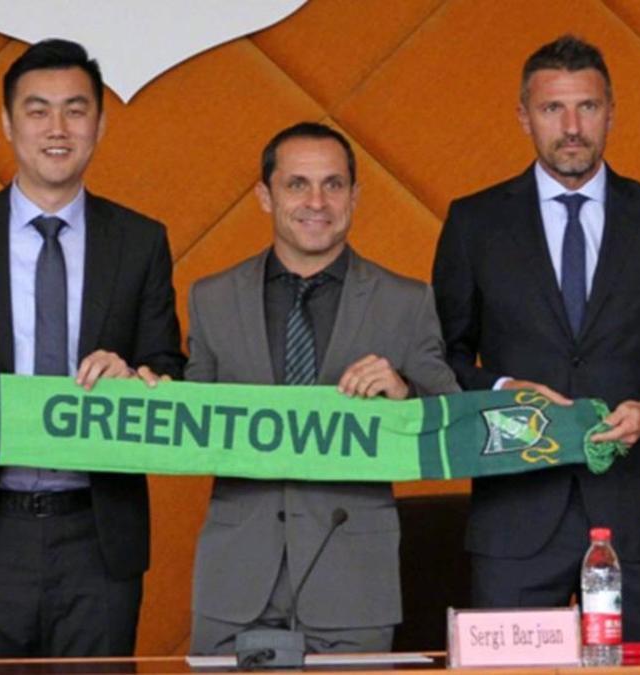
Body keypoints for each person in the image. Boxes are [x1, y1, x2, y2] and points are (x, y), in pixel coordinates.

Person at [431, 35, 640, 641]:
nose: (572, 127)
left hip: (639, 517)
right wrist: (500, 388)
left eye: (588, 108)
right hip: (515, 516)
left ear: (611, 112)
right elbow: (441, 355)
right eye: (552, 109)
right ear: (524, 116)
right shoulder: (474, 222)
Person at [0, 38, 185, 657]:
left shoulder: (139, 241)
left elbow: (168, 366)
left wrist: (137, 373)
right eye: (38, 109)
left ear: (99, 124)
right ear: (6, 122)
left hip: (97, 533)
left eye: (76, 110)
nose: (58, 127)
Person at [186, 122, 459, 654]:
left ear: (355, 196)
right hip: (234, 582)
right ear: (265, 196)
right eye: (297, 185)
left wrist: (406, 397)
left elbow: (451, 422)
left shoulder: (406, 301)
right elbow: (186, 421)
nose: (317, 201)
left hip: (354, 585)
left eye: (333, 185)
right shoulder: (211, 298)